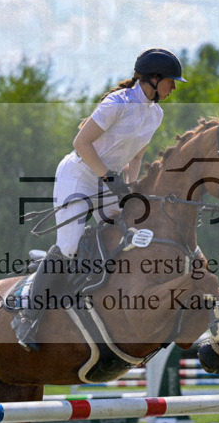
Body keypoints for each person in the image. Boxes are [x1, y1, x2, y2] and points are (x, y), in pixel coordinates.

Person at [11, 48, 186, 349]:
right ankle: (27, 315)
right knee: (67, 246)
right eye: (171, 81)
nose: (174, 88)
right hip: (78, 174)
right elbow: (81, 142)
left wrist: (130, 191)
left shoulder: (155, 114)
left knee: (132, 231)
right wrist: (109, 177)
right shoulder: (116, 103)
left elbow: (135, 158)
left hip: (110, 179)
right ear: (153, 79)